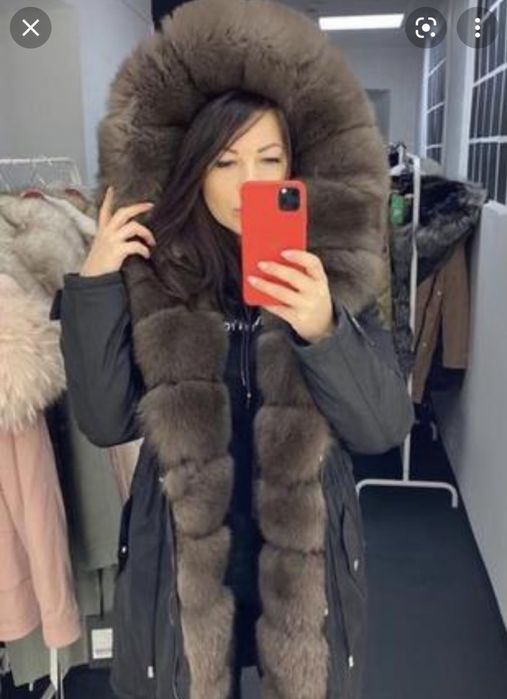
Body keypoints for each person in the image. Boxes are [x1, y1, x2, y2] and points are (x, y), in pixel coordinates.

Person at [57, 1, 415, 697]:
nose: (249, 183)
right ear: (194, 169)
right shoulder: (155, 274)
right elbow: (105, 420)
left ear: (295, 168)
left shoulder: (331, 271)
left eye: (268, 159)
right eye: (224, 161)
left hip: (302, 562)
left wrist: (323, 329)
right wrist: (96, 284)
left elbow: (381, 427)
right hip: (185, 561)